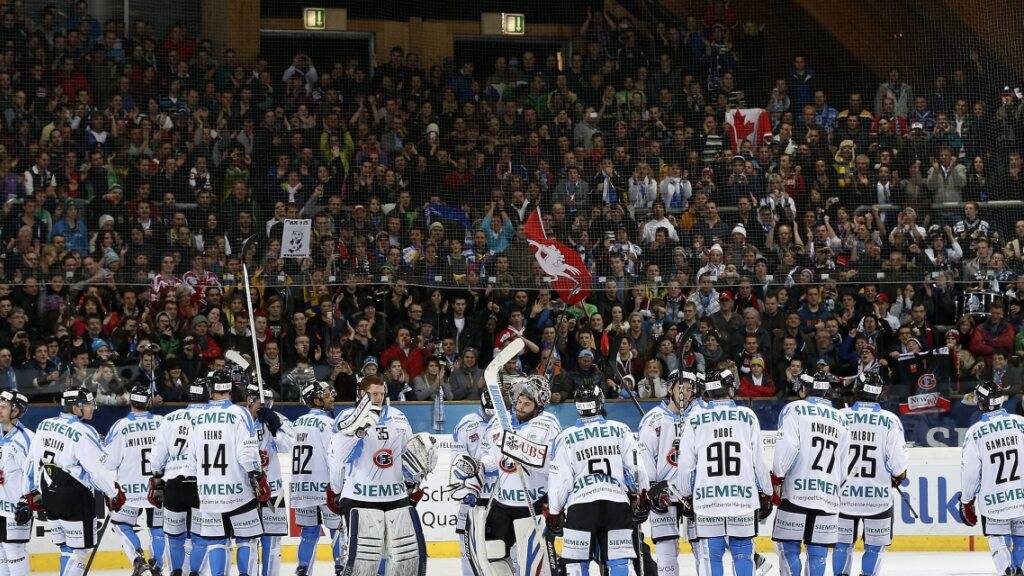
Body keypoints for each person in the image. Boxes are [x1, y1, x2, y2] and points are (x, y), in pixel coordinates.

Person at [327, 375, 434, 576]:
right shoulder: (347, 418)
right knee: (363, 562)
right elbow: (337, 457)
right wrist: (335, 488)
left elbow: (408, 456)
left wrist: (413, 482)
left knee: (403, 559)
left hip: (395, 496)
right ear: (361, 394)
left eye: (382, 393)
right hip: (359, 498)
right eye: (374, 394)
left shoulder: (398, 417)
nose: (379, 398)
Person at [677, 370, 773, 576]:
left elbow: (685, 465)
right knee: (743, 553)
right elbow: (759, 461)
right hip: (743, 497)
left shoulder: (695, 419)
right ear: (730, 388)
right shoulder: (747, 416)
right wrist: (766, 491)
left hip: (707, 500)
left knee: (711, 554)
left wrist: (686, 493)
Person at [23, 387, 126, 576]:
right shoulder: (83, 431)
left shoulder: (45, 424)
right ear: (76, 407)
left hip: (48, 491)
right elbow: (97, 470)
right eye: (88, 404)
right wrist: (113, 492)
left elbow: (31, 461)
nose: (92, 408)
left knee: (65, 549)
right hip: (73, 494)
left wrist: (29, 490)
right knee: (80, 553)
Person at [546, 383, 646, 576]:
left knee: (576, 565)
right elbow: (636, 469)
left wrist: (555, 511)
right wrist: (641, 498)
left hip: (581, 506)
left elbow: (560, 480)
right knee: (619, 563)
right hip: (615, 504)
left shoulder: (565, 437)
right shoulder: (621, 429)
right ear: (600, 403)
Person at [187, 367, 270, 576]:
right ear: (230, 389)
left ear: (210, 389)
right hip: (239, 491)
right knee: (246, 539)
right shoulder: (239, 413)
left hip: (208, 493)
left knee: (216, 542)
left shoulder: (197, 416)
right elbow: (247, 454)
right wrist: (257, 476)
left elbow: (192, 458)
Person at [479, 375, 561, 576]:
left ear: (538, 405)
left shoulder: (548, 423)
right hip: (502, 502)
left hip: (533, 503)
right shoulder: (499, 422)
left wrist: (521, 450)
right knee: (492, 554)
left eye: (527, 403)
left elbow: (553, 464)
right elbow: (489, 456)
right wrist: (478, 466)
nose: (521, 407)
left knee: (535, 567)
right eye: (518, 402)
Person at [771, 372, 851, 576]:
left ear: (806, 389)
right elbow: (844, 465)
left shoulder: (795, 408)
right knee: (818, 553)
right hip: (827, 495)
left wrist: (777, 476)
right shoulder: (842, 419)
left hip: (796, 493)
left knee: (789, 549)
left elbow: (788, 447)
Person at [833, 372, 909, 576]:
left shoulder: (840, 416)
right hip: (877, 499)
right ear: (879, 394)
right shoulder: (890, 420)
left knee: (841, 545)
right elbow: (898, 467)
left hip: (843, 496)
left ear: (858, 389)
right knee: (874, 548)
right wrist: (898, 476)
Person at [959, 380, 1024, 576]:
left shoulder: (975, 432)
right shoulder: (1021, 423)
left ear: (981, 402)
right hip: (1021, 496)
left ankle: (1006, 570)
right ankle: (1018, 568)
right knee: (1020, 536)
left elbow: (970, 472)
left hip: (993, 500)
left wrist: (966, 500)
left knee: (997, 538)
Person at [148, 375, 209, 576]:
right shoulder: (212, 416)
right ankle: (194, 572)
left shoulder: (170, 418)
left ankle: (175, 572)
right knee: (200, 535)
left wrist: (156, 479)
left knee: (175, 536)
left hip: (174, 483)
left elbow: (157, 456)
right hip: (201, 483)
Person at [103, 383, 166, 576]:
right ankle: (156, 566)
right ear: (148, 401)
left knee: (121, 525)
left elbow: (109, 463)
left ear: (131, 401)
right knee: (158, 528)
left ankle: (138, 559)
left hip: (129, 490)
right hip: (157, 488)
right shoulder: (162, 422)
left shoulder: (120, 426)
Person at [638, 370, 692, 576]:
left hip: (690, 494)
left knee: (701, 548)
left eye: (688, 389)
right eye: (680, 388)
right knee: (666, 550)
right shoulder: (653, 419)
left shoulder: (696, 418)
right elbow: (645, 458)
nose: (684, 393)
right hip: (663, 494)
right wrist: (651, 490)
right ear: (670, 388)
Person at [290, 380, 346, 576]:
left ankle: (303, 569)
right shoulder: (329, 424)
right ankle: (340, 568)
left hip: (302, 487)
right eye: (328, 395)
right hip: (325, 486)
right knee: (337, 530)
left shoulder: (296, 423)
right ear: (317, 400)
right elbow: (335, 457)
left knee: (309, 533)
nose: (333, 397)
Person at [245, 382, 293, 576]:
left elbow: (288, 446)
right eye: (259, 401)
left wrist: (275, 428)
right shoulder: (239, 420)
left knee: (272, 541)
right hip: (246, 490)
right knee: (248, 540)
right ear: (249, 400)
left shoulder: (278, 419)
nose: (265, 406)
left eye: (268, 401)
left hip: (273, 489)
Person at [449, 388, 497, 576]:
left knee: (502, 547)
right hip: (472, 495)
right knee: (467, 547)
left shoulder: (506, 422)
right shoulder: (466, 424)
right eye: (487, 412)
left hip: (499, 497)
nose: (490, 417)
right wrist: (465, 488)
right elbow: (457, 461)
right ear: (481, 405)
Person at [0, 390, 31, 576]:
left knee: (14, 553)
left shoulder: (26, 439)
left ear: (16, 411)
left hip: (15, 509)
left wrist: (27, 501)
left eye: (4, 407)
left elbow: (35, 474)